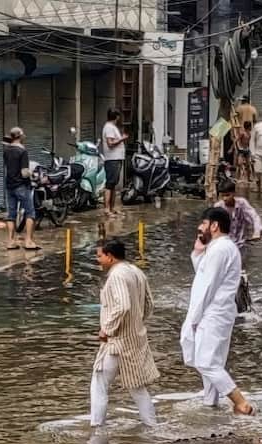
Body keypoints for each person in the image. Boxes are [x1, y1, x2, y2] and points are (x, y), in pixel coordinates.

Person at [181, 207, 255, 416]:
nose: (199, 228)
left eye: (203, 224)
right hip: (218, 313)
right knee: (213, 362)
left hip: (214, 313)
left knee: (206, 362)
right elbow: (204, 273)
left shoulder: (220, 249)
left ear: (214, 226)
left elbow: (208, 285)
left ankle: (240, 402)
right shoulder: (219, 248)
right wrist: (197, 251)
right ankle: (210, 404)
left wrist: (194, 318)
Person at [90, 238, 160, 427]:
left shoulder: (117, 276)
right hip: (135, 339)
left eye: (99, 256)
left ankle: (97, 427)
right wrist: (137, 323)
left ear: (110, 257)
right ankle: (152, 426)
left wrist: (107, 329)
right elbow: (149, 304)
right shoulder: (136, 272)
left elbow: (123, 305)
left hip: (117, 343)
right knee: (137, 387)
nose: (98, 260)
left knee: (99, 382)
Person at [214, 182, 262, 313]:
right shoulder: (218, 207)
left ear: (233, 194)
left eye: (228, 195)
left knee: (240, 274)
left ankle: (244, 301)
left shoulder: (241, 204)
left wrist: (257, 231)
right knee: (223, 274)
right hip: (223, 247)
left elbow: (253, 216)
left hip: (240, 245)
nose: (225, 198)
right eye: (223, 196)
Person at [2, 127, 38, 250]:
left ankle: (11, 241)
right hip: (22, 185)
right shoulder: (22, 151)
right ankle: (28, 240)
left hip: (9, 185)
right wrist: (32, 174)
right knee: (30, 212)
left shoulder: (6, 150)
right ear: (20, 136)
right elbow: (24, 172)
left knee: (11, 214)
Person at [102, 108, 128, 217]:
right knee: (110, 183)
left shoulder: (112, 127)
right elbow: (110, 143)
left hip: (116, 158)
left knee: (113, 184)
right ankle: (107, 209)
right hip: (112, 159)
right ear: (116, 117)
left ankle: (112, 208)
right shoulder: (109, 128)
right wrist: (122, 139)